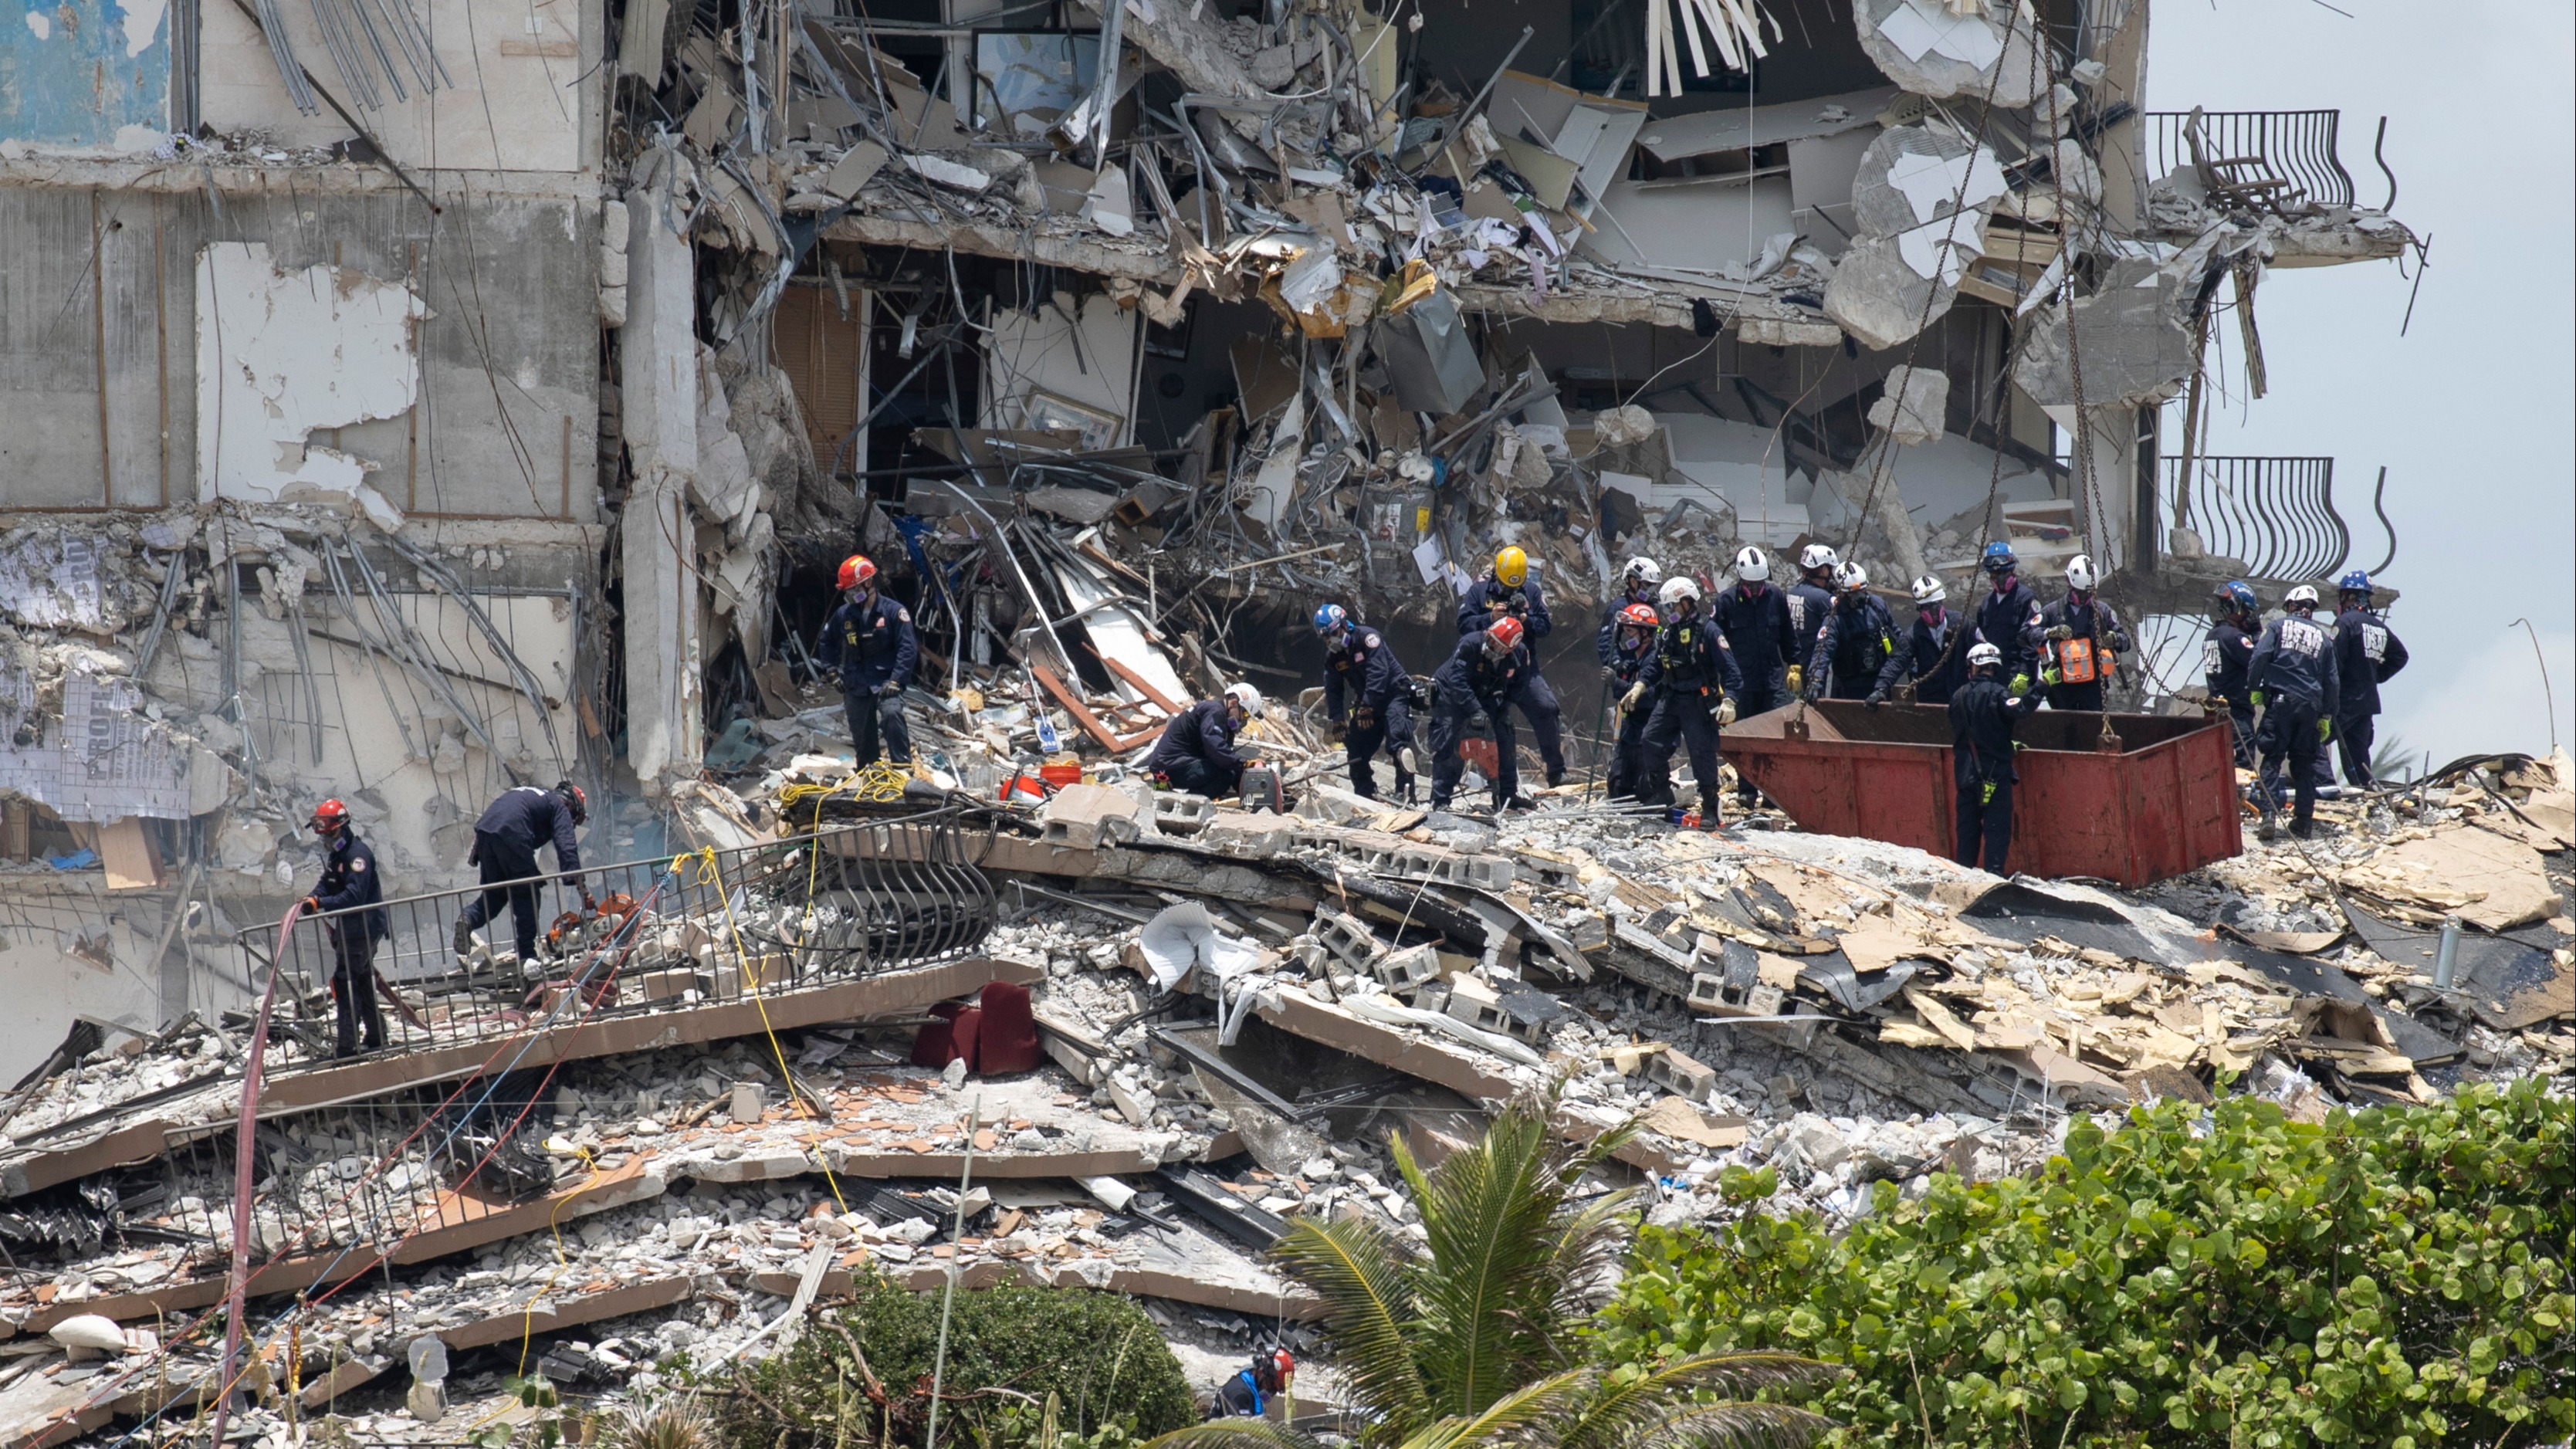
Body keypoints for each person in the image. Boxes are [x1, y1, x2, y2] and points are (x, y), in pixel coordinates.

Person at [1629, 577, 1745, 828]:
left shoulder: (1709, 631)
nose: (1669, 612)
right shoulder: (1668, 632)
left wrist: (1730, 700)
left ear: (1687, 602)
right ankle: (1662, 791)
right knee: (1650, 739)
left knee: (1701, 752)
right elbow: (1657, 665)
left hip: (1697, 700)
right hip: (1671, 697)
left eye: (1672, 606)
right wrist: (1641, 685)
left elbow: (1732, 671)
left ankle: (1710, 807)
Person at [1455, 545, 1566, 786]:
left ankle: (1556, 771)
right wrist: (1489, 618)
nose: (1509, 592)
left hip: (1522, 668)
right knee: (1470, 714)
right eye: (1505, 586)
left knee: (1546, 707)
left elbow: (1545, 627)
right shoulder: (1478, 591)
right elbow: (1463, 624)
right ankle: (1458, 775)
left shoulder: (1532, 593)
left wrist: (1525, 619)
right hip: (1485, 669)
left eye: (1514, 587)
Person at [454, 781, 590, 967]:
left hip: (486, 833)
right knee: (528, 894)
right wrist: (581, 887)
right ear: (571, 804)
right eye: (574, 817)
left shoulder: (534, 795)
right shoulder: (559, 807)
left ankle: (467, 919)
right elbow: (567, 847)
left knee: (495, 896)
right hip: (513, 833)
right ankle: (527, 955)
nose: (570, 820)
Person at [2247, 584, 2341, 838]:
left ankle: (2268, 816)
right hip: (2310, 707)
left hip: (2281, 701)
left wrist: (2254, 687)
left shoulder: (2278, 627)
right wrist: (2326, 716)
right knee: (2304, 765)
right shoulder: (2324, 638)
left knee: (2272, 758)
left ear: (2290, 606)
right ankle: (2303, 822)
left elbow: (2259, 657)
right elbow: (2332, 681)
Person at [1711, 547, 1799, 807]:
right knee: (1745, 738)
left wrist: (1795, 665)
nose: (1756, 589)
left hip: (1772, 680)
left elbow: (1787, 634)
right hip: (1742, 684)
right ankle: (1747, 791)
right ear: (1741, 579)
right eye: (1751, 585)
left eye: (1760, 584)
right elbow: (1715, 643)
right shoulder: (1725, 602)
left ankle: (1773, 793)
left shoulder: (1775, 596)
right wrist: (1719, 680)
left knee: (1775, 737)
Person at [302, 799, 388, 1058]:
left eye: (329, 834)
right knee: (361, 980)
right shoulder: (338, 856)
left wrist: (321, 904)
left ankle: (347, 1045)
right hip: (351, 929)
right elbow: (327, 883)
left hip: (363, 929)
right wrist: (312, 898)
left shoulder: (356, 857)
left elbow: (354, 896)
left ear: (341, 828)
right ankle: (376, 1035)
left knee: (346, 982)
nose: (326, 840)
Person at [1429, 616, 1541, 813]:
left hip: (1488, 696)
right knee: (1450, 741)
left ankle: (1506, 796)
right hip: (1452, 696)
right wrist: (1474, 710)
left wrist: (1503, 708)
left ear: (1509, 649)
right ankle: (1440, 798)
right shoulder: (1469, 644)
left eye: (1497, 645)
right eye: (1490, 639)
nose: (1490, 645)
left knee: (1504, 737)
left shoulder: (1520, 655)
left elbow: (1520, 684)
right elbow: (1457, 681)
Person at [814, 554, 918, 767]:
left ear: (869, 582)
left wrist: (896, 680)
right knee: (862, 735)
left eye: (854, 589)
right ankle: (869, 773)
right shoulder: (844, 614)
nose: (851, 595)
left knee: (891, 715)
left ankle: (902, 768)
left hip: (886, 682)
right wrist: (831, 671)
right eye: (848, 591)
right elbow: (826, 641)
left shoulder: (893, 612)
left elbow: (907, 649)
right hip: (856, 683)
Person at [1948, 642, 2042, 872]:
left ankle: (1964, 876)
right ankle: (1994, 878)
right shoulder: (1998, 694)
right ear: (1994, 668)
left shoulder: (1957, 696)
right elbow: (2020, 708)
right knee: (1997, 832)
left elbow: (1965, 730)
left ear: (1973, 667)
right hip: (1995, 775)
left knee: (1967, 832)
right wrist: (2043, 685)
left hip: (1966, 776)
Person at [1315, 604, 1418, 802]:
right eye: (1326, 637)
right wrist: (1337, 719)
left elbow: (1378, 673)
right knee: (1355, 748)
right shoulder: (1333, 657)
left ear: (1344, 625)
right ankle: (1365, 794)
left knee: (1398, 743)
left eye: (1333, 634)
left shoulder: (1368, 638)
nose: (1330, 640)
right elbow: (1333, 689)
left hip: (1393, 695)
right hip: (1367, 705)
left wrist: (1367, 705)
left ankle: (1406, 794)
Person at [2330, 570, 2408, 789]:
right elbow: (2400, 657)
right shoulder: (2378, 627)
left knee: (2312, 741)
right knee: (2359, 756)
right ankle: (2366, 793)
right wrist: (2375, 676)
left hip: (2345, 701)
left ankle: (2323, 787)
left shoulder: (2345, 623)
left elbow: (2334, 663)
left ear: (2349, 596)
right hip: (2367, 703)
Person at [2037, 554, 2131, 712]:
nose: (2083, 597)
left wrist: (2114, 639)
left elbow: (2125, 641)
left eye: (2088, 593)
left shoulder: (2103, 611)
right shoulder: (2054, 611)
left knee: (2093, 723)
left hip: (2093, 685)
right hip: (2062, 684)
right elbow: (2027, 634)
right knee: (2062, 723)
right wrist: (2049, 632)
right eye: (2080, 592)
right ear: (2069, 582)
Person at [1870, 574, 1972, 706]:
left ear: (1942, 603)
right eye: (1926, 607)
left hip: (1961, 695)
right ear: (1919, 608)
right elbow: (1897, 660)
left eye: (1935, 605)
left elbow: (1981, 649)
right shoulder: (1914, 634)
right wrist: (1881, 688)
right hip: (1932, 699)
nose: (1932, 611)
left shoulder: (1961, 624)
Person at [1149, 684, 1263, 798]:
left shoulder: (1222, 717)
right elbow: (1214, 746)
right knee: (1224, 776)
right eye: (1245, 714)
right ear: (1233, 703)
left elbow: (1226, 755)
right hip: (1168, 768)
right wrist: (1242, 763)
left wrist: (1242, 769)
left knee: (1229, 769)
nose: (1243, 719)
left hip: (1172, 764)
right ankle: (1188, 803)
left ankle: (1188, 799)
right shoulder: (1215, 712)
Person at [1805, 561, 1897, 701]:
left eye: (1861, 591)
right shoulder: (1834, 619)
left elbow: (1897, 635)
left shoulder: (1877, 606)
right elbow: (1823, 650)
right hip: (1849, 686)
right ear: (1840, 592)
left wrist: (1910, 661)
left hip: (1879, 682)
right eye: (1852, 593)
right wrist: (1816, 678)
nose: (1858, 597)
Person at [1603, 601, 1664, 802]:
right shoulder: (1631, 660)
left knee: (1645, 788)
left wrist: (1617, 683)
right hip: (1629, 733)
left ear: (1645, 633)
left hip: (1647, 733)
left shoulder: (1654, 661)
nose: (1626, 636)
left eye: (1630, 631)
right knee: (1618, 785)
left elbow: (1648, 697)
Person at [1972, 541, 2046, 689]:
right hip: (1993, 674)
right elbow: (1981, 639)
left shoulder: (2026, 598)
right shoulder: (1987, 603)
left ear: (2013, 570)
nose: (2000, 578)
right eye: (1995, 574)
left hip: (2018, 673)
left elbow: (2032, 638)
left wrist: (2024, 673)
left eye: (2004, 572)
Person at [2203, 580, 2263, 768]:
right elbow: (2258, 662)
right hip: (2237, 714)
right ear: (2237, 608)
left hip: (2218, 712)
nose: (2248, 617)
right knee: (2243, 768)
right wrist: (2256, 635)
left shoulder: (2212, 635)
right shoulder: (2234, 637)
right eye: (2247, 611)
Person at [1784, 543, 1839, 693]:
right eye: (1830, 568)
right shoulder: (1823, 598)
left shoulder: (1793, 591)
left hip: (1794, 665)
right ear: (1823, 570)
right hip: (1814, 666)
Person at [1595, 557, 1662, 667]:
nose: (1652, 590)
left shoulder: (1654, 607)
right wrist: (1616, 663)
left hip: (1650, 664)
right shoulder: (1618, 608)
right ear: (1633, 582)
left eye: (1654, 586)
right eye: (1648, 584)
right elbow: (1606, 640)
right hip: (1626, 665)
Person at [1209, 1349, 1295, 1419]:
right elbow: (1244, 1432)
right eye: (1272, 1386)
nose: (1271, 1392)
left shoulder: (1252, 1391)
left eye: (1275, 1390)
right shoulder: (1239, 1394)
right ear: (1261, 1372)